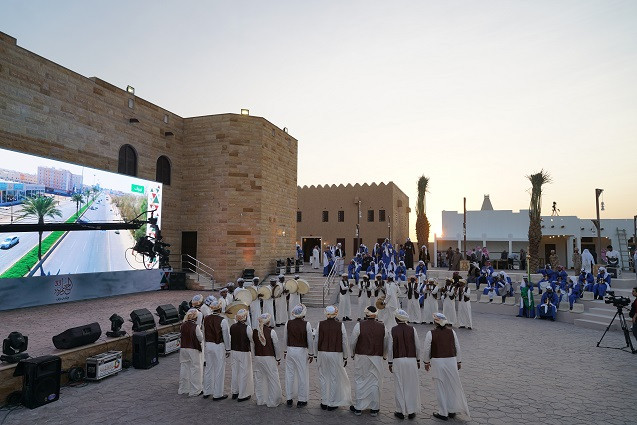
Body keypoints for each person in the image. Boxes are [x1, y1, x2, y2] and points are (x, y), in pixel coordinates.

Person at [424, 313, 470, 421]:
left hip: (437, 361)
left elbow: (427, 349)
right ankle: (452, 410)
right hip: (451, 361)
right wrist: (458, 361)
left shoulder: (430, 333)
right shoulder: (452, 332)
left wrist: (426, 362)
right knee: (451, 385)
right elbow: (457, 347)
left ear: (435, 322)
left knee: (440, 386)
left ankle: (443, 412)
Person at [349, 306, 388, 417]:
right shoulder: (383, 327)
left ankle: (358, 407)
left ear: (366, 314)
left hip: (361, 356)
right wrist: (384, 355)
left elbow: (353, 342)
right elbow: (386, 343)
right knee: (375, 381)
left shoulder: (359, 325)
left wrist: (352, 353)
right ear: (376, 314)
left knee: (360, 380)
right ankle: (374, 408)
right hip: (377, 357)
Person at [314, 305, 352, 411]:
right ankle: (332, 402)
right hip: (336, 353)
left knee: (323, 377)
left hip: (322, 352)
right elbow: (344, 341)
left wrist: (316, 354)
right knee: (334, 378)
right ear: (336, 314)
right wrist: (345, 356)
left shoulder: (320, 324)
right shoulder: (340, 325)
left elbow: (316, 340)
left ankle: (324, 401)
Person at [387, 309, 421, 420]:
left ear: (396, 319)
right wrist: (418, 360)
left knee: (399, 385)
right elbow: (417, 346)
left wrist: (390, 362)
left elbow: (390, 348)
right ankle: (411, 411)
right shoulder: (413, 329)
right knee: (411, 385)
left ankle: (400, 411)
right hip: (411, 360)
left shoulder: (393, 330)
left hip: (398, 360)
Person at [283, 304, 314, 408]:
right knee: (302, 374)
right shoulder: (307, 324)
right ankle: (302, 399)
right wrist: (311, 353)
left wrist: (285, 351)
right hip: (301, 350)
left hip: (290, 350)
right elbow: (310, 339)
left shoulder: (288, 323)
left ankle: (289, 398)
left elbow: (285, 337)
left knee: (289, 374)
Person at [252, 313, 283, 407]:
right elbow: (276, 346)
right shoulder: (271, 332)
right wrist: (278, 358)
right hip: (269, 358)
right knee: (273, 379)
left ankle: (260, 400)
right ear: (268, 322)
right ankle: (273, 401)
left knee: (259, 379)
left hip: (258, 357)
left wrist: (255, 356)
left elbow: (253, 346)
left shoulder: (254, 331)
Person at [203, 297, 231, 400]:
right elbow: (226, 336)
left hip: (208, 344)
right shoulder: (222, 320)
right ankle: (218, 393)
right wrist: (228, 349)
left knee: (209, 368)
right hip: (218, 345)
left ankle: (206, 391)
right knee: (219, 369)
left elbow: (204, 331)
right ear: (219, 310)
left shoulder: (206, 318)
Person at [230, 309, 254, 402]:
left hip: (234, 351)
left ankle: (235, 392)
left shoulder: (232, 326)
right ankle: (243, 394)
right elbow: (251, 339)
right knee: (244, 372)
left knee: (235, 371)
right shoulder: (247, 328)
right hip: (244, 351)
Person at [178, 308, 204, 396]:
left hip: (183, 348)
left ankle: (183, 388)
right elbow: (200, 338)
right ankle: (195, 390)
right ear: (195, 317)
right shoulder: (195, 326)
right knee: (196, 368)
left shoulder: (182, 325)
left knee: (184, 367)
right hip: (193, 348)